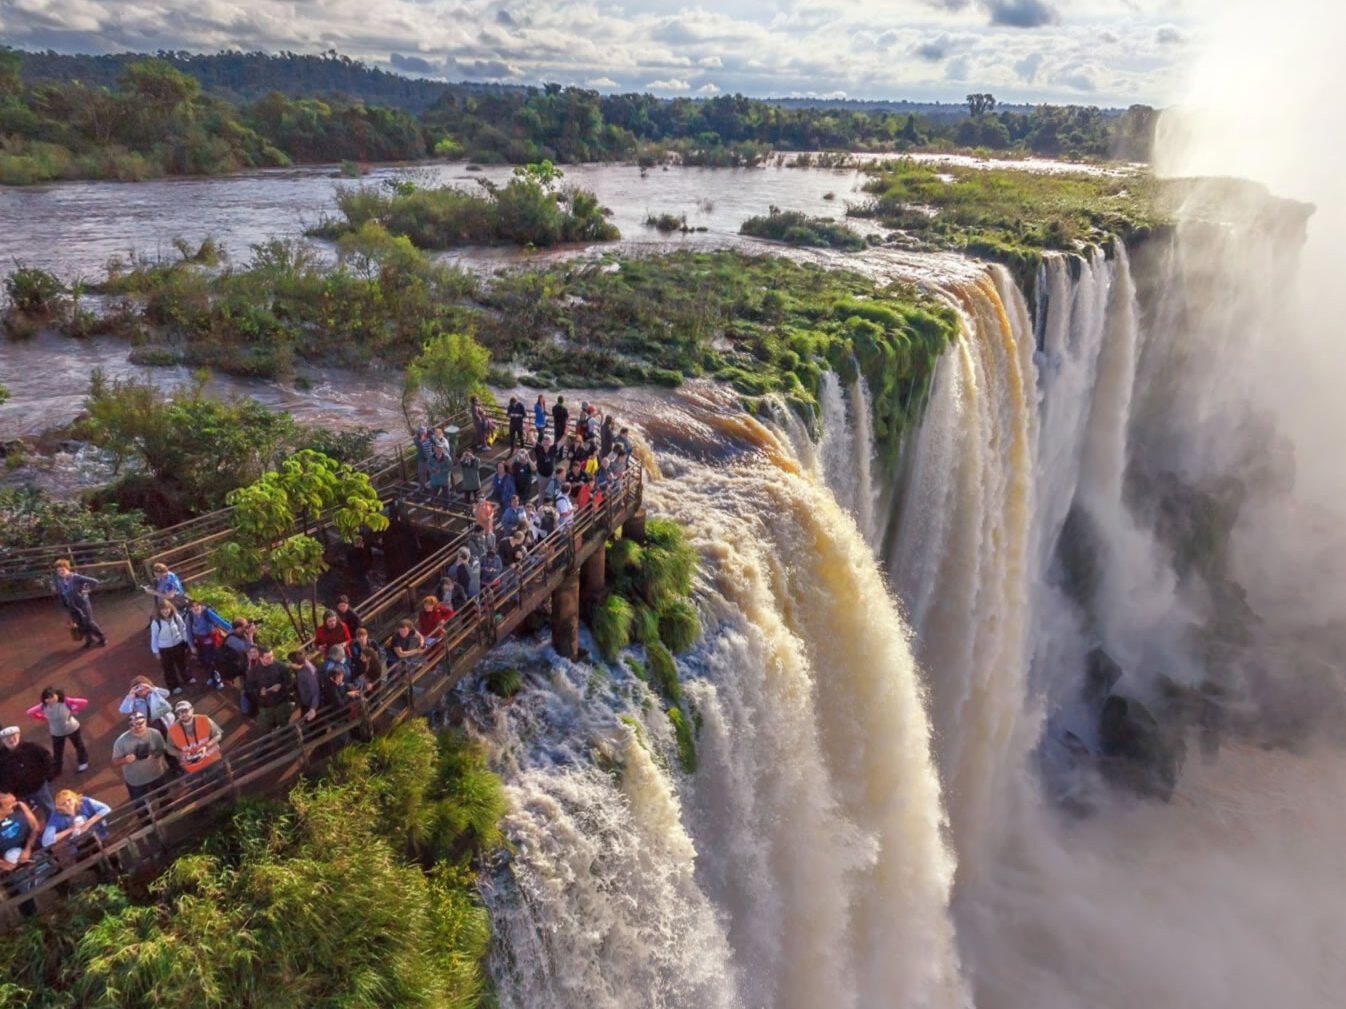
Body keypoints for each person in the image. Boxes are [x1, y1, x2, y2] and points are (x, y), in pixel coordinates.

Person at [111, 711, 169, 811]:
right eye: (132, 725)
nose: (136, 726)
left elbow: (162, 748)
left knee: (165, 798)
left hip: (156, 774)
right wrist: (125, 760)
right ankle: (147, 824)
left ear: (146, 722)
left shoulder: (155, 733)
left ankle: (168, 813)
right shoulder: (121, 741)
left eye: (140, 723)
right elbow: (115, 761)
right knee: (141, 807)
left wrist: (154, 754)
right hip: (136, 780)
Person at [25, 687, 89, 775]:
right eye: (47, 698)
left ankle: (83, 762)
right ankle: (57, 768)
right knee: (58, 751)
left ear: (57, 695)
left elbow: (83, 702)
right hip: (57, 732)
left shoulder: (66, 701)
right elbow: (30, 712)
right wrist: (42, 718)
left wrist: (73, 710)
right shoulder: (43, 706)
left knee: (79, 745)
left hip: (72, 728)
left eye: (52, 697)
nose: (50, 700)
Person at [0, 726, 55, 816]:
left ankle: (56, 827)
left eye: (13, 736)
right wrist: (6, 789)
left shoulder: (31, 747)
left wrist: (48, 776)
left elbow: (46, 758)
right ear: (2, 740)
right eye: (7, 738)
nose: (11, 739)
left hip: (39, 786)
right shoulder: (1, 757)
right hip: (20, 793)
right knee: (26, 814)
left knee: (49, 808)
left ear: (18, 735)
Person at [52, 559, 106, 649]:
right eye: (58, 571)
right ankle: (89, 640)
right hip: (71, 605)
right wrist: (64, 605)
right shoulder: (59, 580)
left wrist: (85, 591)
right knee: (79, 623)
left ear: (67, 569)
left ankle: (102, 638)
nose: (61, 572)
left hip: (82, 603)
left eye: (62, 570)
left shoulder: (75, 577)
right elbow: (60, 592)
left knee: (89, 622)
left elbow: (94, 581)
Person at [164, 700, 223, 775]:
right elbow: (169, 748)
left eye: (185, 710)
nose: (183, 714)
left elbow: (218, 735)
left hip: (213, 762)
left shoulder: (204, 719)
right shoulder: (173, 730)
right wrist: (180, 753)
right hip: (192, 768)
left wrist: (206, 746)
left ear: (192, 709)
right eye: (179, 712)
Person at [41, 789, 111, 850]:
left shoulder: (84, 801)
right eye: (63, 804)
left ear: (74, 798)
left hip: (100, 837)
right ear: (59, 807)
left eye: (69, 800)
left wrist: (87, 824)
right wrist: (71, 829)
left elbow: (106, 809)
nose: (67, 804)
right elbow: (46, 841)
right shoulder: (56, 816)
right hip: (80, 847)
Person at [149, 600, 194, 694]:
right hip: (165, 648)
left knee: (183, 663)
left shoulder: (176, 617)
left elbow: (183, 629)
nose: (166, 611)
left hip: (178, 644)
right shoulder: (156, 622)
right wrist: (156, 652)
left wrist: (185, 641)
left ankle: (187, 678)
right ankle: (173, 686)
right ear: (159, 611)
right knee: (168, 668)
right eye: (163, 609)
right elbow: (154, 638)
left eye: (167, 608)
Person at [246, 647, 293, 730]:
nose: (271, 659)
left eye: (272, 656)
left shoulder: (281, 666)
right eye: (268, 658)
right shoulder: (253, 672)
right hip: (266, 706)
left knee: (286, 724)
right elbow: (249, 689)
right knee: (268, 727)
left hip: (281, 702)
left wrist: (281, 686)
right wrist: (259, 692)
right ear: (260, 658)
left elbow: (289, 681)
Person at [0, 791, 38, 876]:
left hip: (31, 847)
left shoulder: (19, 806)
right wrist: (3, 864)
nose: (14, 805)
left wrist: (28, 848)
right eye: (10, 805)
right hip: (10, 860)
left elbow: (35, 826)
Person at [186, 600, 222, 688]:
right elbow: (188, 632)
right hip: (199, 642)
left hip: (211, 641)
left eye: (197, 605)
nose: (195, 608)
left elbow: (219, 621)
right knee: (204, 661)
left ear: (201, 606)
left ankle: (217, 680)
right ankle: (210, 677)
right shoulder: (189, 617)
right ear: (190, 609)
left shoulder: (208, 613)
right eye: (193, 606)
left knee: (212, 660)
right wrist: (191, 646)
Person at [350, 628, 386, 693]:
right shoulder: (355, 646)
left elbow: (379, 656)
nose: (361, 638)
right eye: (359, 637)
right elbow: (356, 660)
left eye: (363, 636)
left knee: (375, 682)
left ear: (367, 636)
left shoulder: (373, 643)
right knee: (360, 682)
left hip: (374, 665)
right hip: (362, 667)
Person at [291, 650, 321, 723]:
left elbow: (315, 691)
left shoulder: (308, 673)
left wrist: (313, 708)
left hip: (311, 705)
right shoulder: (301, 669)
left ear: (295, 663)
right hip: (306, 702)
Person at [535, 434, 558, 501]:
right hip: (541, 475)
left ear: (551, 443)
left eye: (548, 443)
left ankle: (549, 504)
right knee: (542, 491)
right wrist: (528, 432)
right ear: (542, 443)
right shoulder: (539, 448)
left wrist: (565, 434)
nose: (546, 445)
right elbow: (532, 440)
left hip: (551, 475)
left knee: (551, 491)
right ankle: (540, 505)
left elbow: (561, 442)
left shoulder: (553, 448)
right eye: (545, 443)